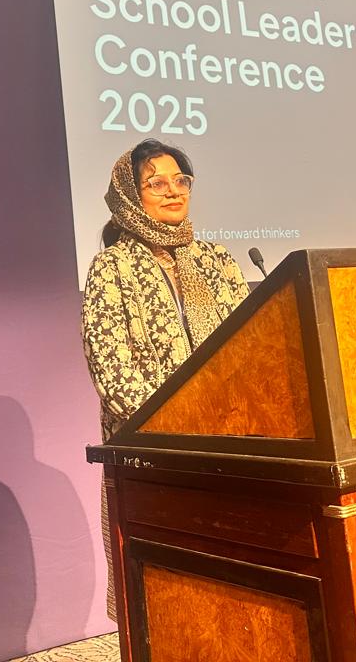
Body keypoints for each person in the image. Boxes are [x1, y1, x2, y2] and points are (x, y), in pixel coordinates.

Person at [80, 139, 250, 618]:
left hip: (227, 442)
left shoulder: (216, 260)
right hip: (153, 454)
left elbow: (249, 344)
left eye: (181, 180)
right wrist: (175, 425)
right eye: (156, 183)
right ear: (130, 197)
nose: (173, 191)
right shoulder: (112, 267)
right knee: (163, 596)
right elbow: (112, 370)